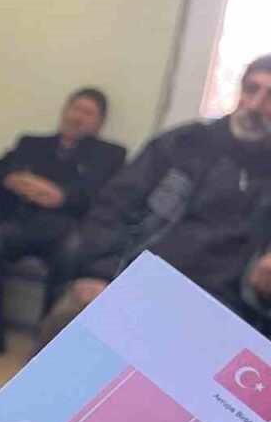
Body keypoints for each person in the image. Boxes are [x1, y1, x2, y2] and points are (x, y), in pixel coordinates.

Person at [40, 55, 271, 344]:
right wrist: (98, 272)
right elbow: (113, 207)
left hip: (229, 306)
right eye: (251, 89)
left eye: (270, 96)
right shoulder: (186, 143)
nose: (255, 105)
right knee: (68, 324)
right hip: (146, 280)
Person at [0, 88, 126, 355]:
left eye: (87, 113)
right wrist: (10, 179)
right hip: (24, 225)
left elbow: (109, 198)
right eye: (74, 108)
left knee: (71, 252)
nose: (77, 117)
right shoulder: (32, 144)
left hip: (68, 230)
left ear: (99, 122)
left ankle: (47, 342)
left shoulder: (110, 155)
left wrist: (63, 197)